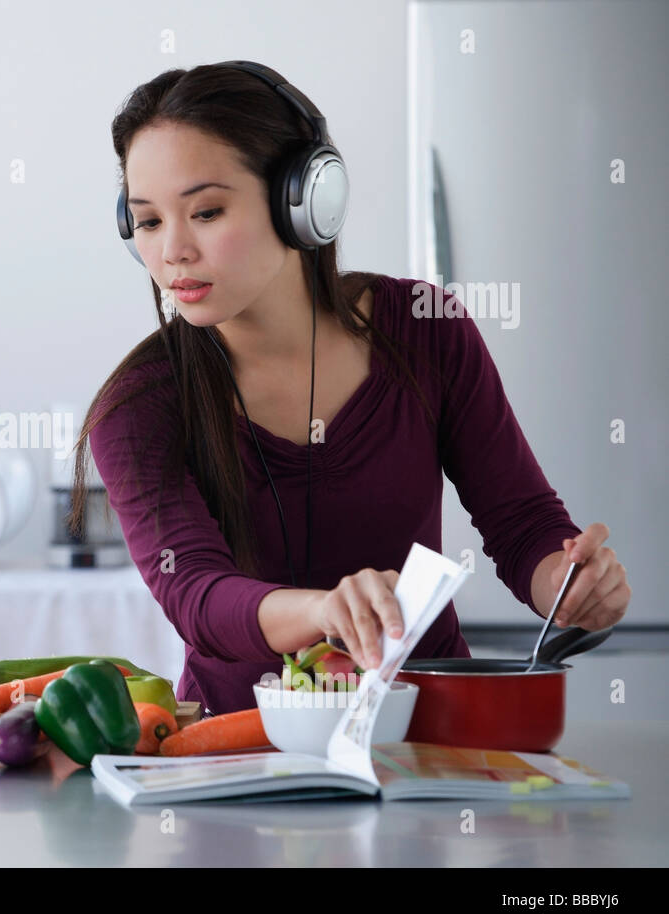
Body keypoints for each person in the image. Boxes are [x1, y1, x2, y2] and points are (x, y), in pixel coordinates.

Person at [65, 62, 631, 716]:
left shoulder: (427, 329)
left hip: (432, 731)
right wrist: (322, 610)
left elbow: (521, 522)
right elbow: (194, 593)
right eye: (149, 221)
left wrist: (567, 585)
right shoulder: (138, 405)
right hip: (235, 758)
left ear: (303, 200)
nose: (172, 252)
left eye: (207, 211)